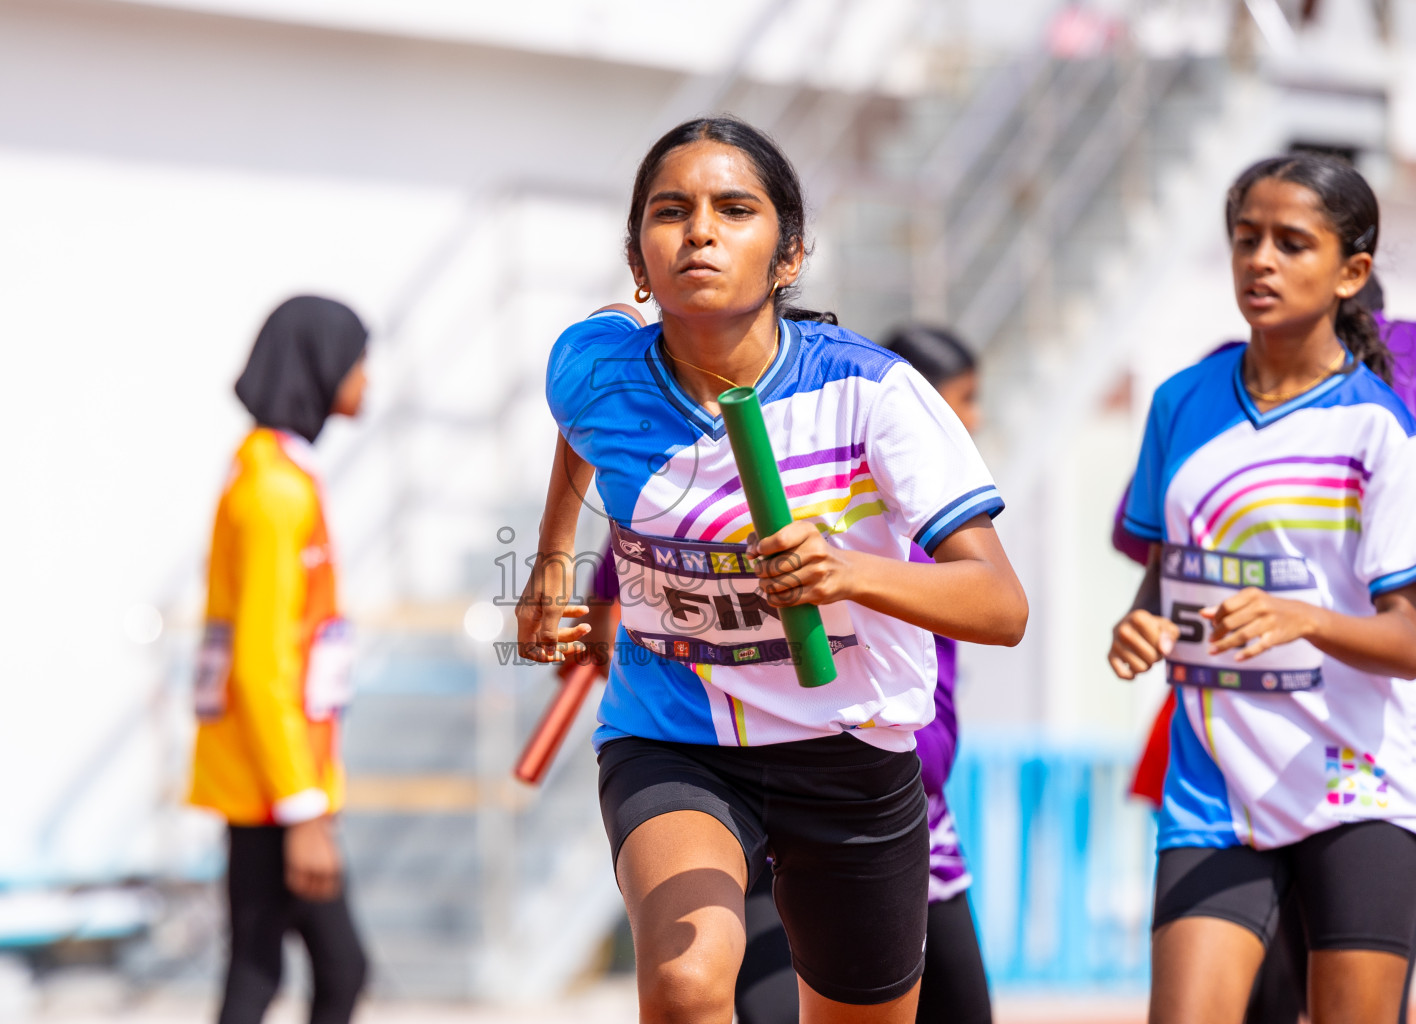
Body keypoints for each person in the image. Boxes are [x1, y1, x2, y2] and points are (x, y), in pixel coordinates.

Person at [522, 116, 1028, 1024]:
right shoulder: (595, 369)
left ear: (789, 255)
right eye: (670, 211)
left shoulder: (874, 395)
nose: (700, 231)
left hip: (851, 752)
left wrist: (847, 573)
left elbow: (999, 603)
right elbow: (578, 416)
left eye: (735, 209)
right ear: (639, 262)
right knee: (685, 981)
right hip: (673, 737)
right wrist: (552, 562)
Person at [1108, 153, 1416, 1024]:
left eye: (1292, 243)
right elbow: (1166, 569)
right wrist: (1137, 628)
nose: (1262, 262)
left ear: (1351, 271)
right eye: (1247, 240)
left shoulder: (1377, 428)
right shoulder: (1180, 401)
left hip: (1354, 787)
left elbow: (1409, 639)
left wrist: (1305, 620)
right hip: (1211, 783)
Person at [732, 325, 995, 1024]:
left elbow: (995, 618)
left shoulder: (936, 539)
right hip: (764, 815)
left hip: (897, 816)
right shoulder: (765, 486)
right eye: (962, 400)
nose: (970, 420)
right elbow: (620, 573)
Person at [189, 295, 371, 1024]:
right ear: (322, 364)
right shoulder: (273, 492)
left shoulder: (269, 472)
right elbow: (263, 662)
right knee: (333, 968)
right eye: (360, 357)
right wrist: (303, 810)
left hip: (268, 775)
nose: (366, 376)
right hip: (274, 782)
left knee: (260, 967)